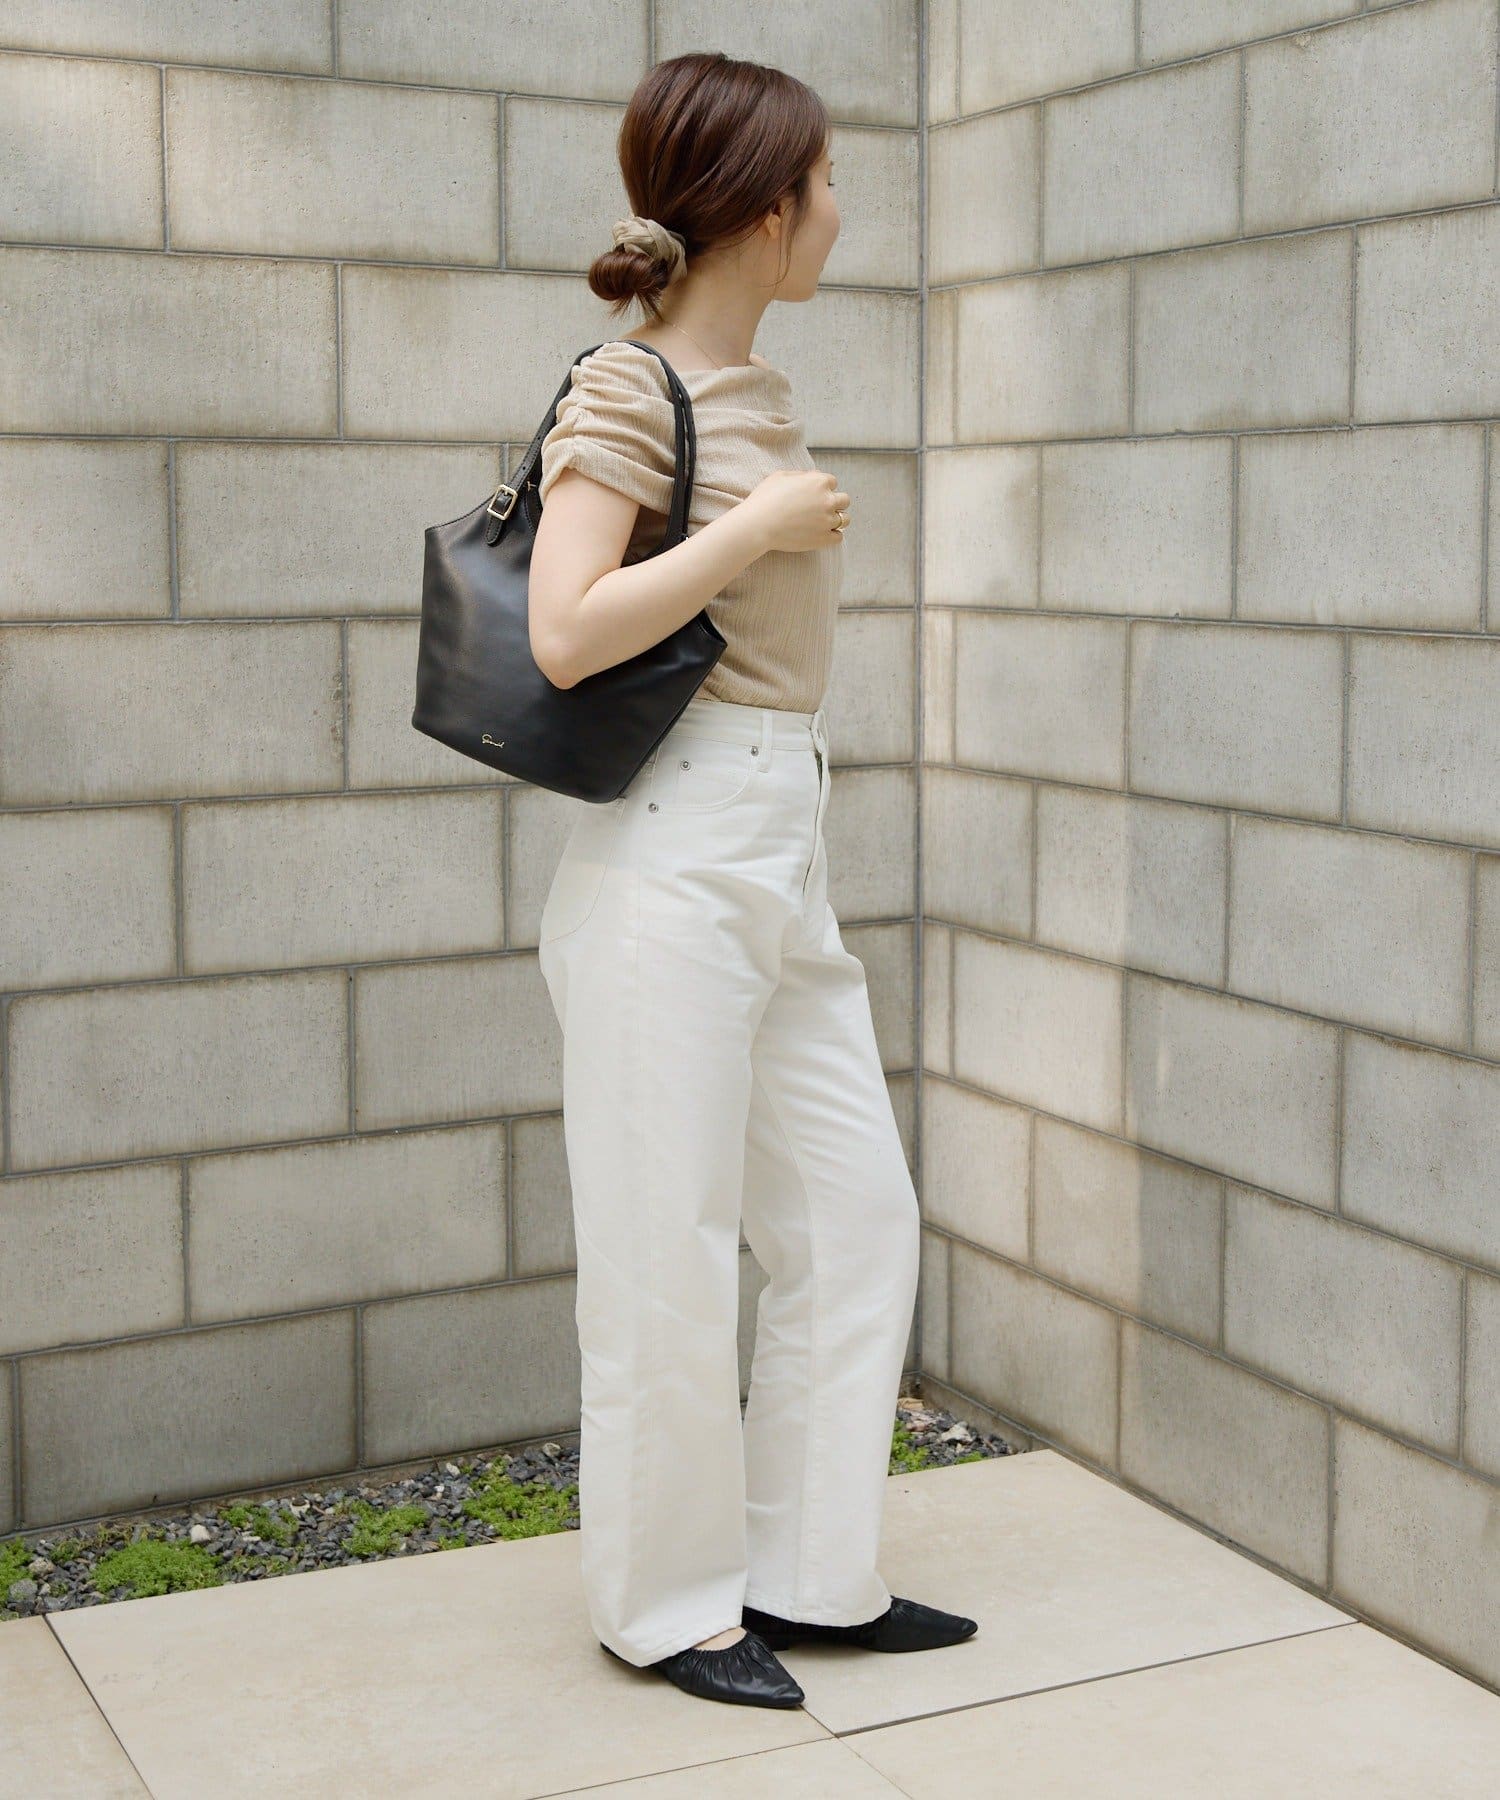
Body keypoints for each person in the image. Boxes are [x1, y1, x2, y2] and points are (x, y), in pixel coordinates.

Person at [528, 51, 977, 1710]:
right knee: (666, 1245)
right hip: (673, 851)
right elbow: (564, 632)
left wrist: (765, 510)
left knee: (853, 1218)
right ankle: (666, 1610)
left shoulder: (754, 388)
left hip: (779, 837)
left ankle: (808, 1573)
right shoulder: (628, 386)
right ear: (769, 207)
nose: (843, 211)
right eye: (829, 183)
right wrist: (757, 529)